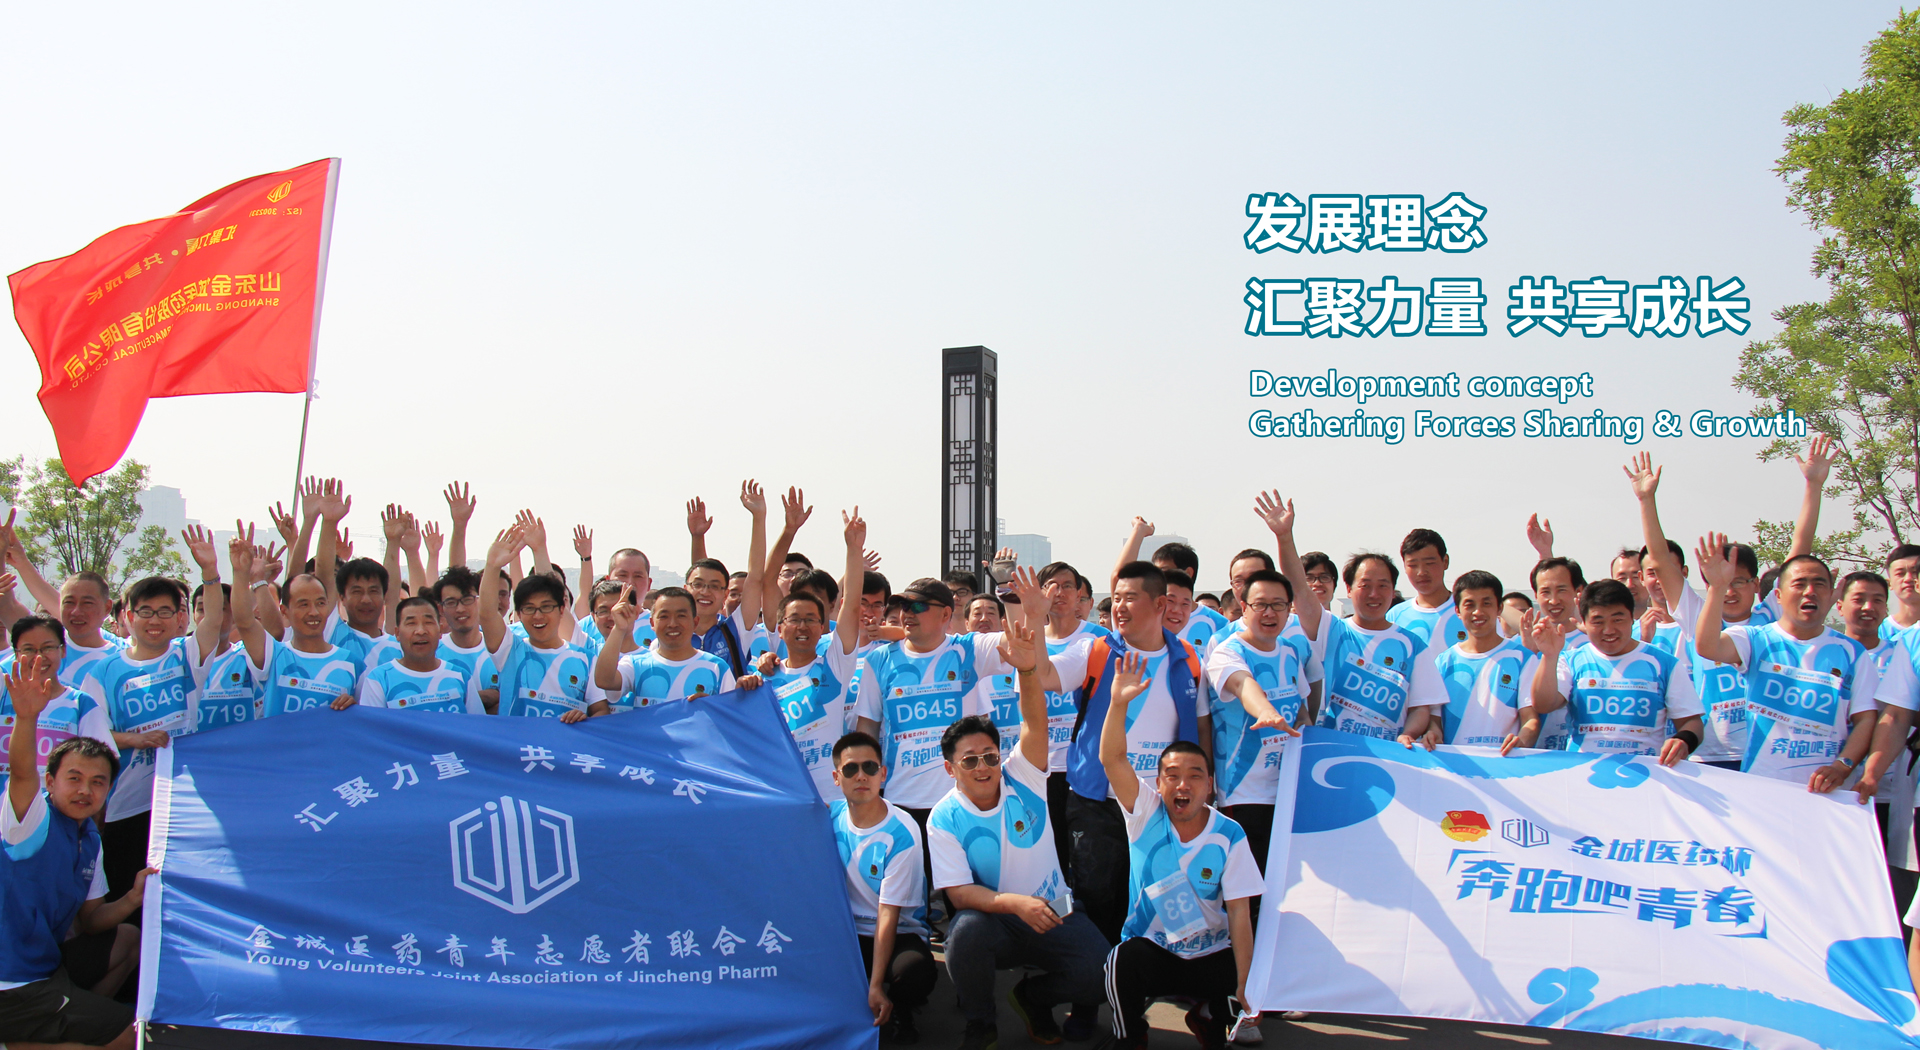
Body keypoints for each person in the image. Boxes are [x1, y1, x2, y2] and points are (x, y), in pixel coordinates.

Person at [931, 622, 1108, 1050]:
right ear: (950, 768)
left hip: (1056, 907)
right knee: (965, 932)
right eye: (969, 761)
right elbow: (958, 894)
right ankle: (981, 1022)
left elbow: (1034, 719)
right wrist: (1016, 905)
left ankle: (1033, 998)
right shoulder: (943, 818)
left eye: (989, 756)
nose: (983, 767)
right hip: (998, 920)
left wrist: (1028, 671)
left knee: (1103, 972)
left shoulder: (1023, 776)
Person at [1101, 652, 1269, 1050]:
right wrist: (1118, 703)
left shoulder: (1229, 834)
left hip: (1210, 954)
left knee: (1251, 963)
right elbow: (1112, 758)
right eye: (1172, 776)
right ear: (1158, 784)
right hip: (1154, 952)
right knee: (1120, 961)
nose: (1183, 785)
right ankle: (1130, 1036)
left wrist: (1246, 983)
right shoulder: (1144, 813)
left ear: (1209, 785)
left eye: (1195, 776)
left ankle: (1209, 1016)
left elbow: (1240, 914)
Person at [1629, 443, 1829, 768]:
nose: (1730, 591)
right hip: (1710, 755)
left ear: (1756, 584)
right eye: (1721, 582)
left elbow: (1799, 548)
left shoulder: (1772, 616)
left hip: (1764, 754)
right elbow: (1661, 561)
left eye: (1739, 581)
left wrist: (1813, 485)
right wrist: (1646, 500)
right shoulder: (1699, 617)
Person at [0, 653, 151, 1050]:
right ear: (50, 781)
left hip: (46, 968)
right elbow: (21, 773)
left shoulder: (91, 839)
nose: (86, 790)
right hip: (13, 982)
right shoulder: (31, 819)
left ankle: (65, 1025)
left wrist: (133, 898)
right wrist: (27, 718)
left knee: (127, 937)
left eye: (98, 782)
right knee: (133, 1038)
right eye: (74, 778)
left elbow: (93, 921)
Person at [1066, 559, 1211, 949]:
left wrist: (1204, 785)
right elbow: (1045, 674)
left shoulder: (1188, 659)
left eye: (1130, 598)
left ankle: (1147, 973)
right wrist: (1028, 614)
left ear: (1159, 604)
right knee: (1098, 901)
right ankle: (1097, 981)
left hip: (1161, 806)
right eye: (1116, 598)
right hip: (1098, 803)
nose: (1119, 607)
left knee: (1158, 899)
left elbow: (1201, 728)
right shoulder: (1097, 651)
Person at [80, 525, 227, 907]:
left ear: (179, 617)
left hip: (182, 800)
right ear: (129, 616)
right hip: (126, 803)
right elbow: (91, 736)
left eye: (165, 611)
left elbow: (213, 621)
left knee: (176, 900)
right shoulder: (104, 672)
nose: (154, 620)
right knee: (127, 898)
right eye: (145, 612)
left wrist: (210, 572)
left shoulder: (186, 655)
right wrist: (134, 740)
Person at [1691, 537, 1880, 787]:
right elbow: (1707, 646)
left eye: (1819, 584)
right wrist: (1717, 587)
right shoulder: (1755, 639)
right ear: (1778, 595)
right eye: (1799, 584)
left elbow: (1865, 718)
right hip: (1763, 785)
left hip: (1828, 790)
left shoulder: (1852, 652)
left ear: (1831, 594)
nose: (1809, 591)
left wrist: (1842, 765)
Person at [1520, 579, 1702, 764]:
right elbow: (1543, 705)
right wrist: (1549, 656)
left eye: (1617, 620)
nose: (1608, 630)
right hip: (1583, 771)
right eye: (1598, 622)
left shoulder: (1664, 663)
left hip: (1646, 773)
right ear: (1584, 622)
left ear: (1632, 618)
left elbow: (1691, 722)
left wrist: (1684, 740)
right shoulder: (1571, 660)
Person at [829, 731, 936, 1044]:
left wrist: (876, 985)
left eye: (870, 767)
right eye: (851, 769)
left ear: (883, 773)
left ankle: (899, 1006)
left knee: (914, 972)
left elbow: (888, 915)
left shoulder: (902, 831)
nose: (861, 776)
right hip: (848, 934)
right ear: (836, 777)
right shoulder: (829, 818)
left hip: (897, 931)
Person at [1204, 568, 1307, 884]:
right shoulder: (1227, 652)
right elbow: (1243, 684)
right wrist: (1265, 711)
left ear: (1289, 609)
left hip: (1288, 788)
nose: (1269, 613)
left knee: (1287, 883)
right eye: (1260, 604)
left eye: (1278, 605)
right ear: (1244, 607)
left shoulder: (1290, 651)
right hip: (1245, 793)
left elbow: (1302, 710)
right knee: (1249, 886)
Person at [761, 510, 865, 797]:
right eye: (794, 619)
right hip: (782, 793)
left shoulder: (834, 666)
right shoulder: (763, 678)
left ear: (823, 627)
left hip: (830, 796)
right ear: (780, 628)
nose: (802, 626)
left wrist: (853, 549)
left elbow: (851, 605)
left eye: (811, 620)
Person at [480, 524, 605, 722]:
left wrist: (585, 718)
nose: (538, 616)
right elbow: (487, 614)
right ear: (519, 614)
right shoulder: (510, 651)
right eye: (529, 608)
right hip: (518, 742)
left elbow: (600, 711)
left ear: (561, 610)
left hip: (564, 743)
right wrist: (492, 566)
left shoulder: (586, 659)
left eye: (546, 607)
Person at [594, 586, 756, 713]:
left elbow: (730, 718)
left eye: (681, 616)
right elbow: (604, 681)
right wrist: (619, 629)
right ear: (652, 623)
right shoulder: (636, 664)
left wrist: (712, 708)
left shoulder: (716, 667)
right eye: (664, 616)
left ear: (695, 622)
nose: (672, 624)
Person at [0, 618, 115, 782]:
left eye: (47, 648)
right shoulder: (3, 694)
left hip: (58, 799)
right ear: (16, 654)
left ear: (63, 650)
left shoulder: (81, 704)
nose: (39, 657)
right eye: (29, 649)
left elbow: (103, 764)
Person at [1427, 571, 1532, 750]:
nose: (1478, 612)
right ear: (1458, 611)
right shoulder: (1444, 661)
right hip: (1458, 763)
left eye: (1486, 603)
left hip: (1504, 760)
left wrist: (1521, 741)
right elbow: (1434, 719)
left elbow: (1530, 719)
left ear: (1499, 608)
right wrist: (1433, 733)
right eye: (1470, 604)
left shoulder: (1522, 658)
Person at [354, 597, 483, 713]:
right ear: (397, 633)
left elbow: (477, 727)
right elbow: (372, 729)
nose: (421, 631)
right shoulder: (379, 679)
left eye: (428, 622)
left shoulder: (461, 676)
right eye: (411, 623)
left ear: (440, 631)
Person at [1384, 529, 1466, 651]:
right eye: (1413, 565)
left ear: (1445, 561)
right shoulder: (1395, 617)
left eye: (1430, 563)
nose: (1421, 572)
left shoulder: (1469, 610)